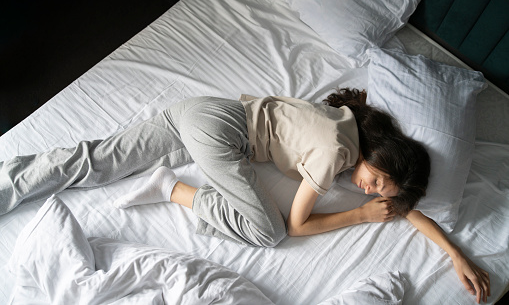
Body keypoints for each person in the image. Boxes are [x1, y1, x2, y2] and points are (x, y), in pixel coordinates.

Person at [0, 89, 490, 303]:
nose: (372, 190)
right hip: (220, 136)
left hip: (200, 113)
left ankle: (10, 180)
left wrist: (454, 254)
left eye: (379, 191)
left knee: (97, 160)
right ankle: (171, 188)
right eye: (380, 182)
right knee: (270, 230)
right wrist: (359, 214)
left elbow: (402, 211)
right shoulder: (335, 152)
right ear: (384, 158)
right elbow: (297, 225)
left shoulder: (347, 125)